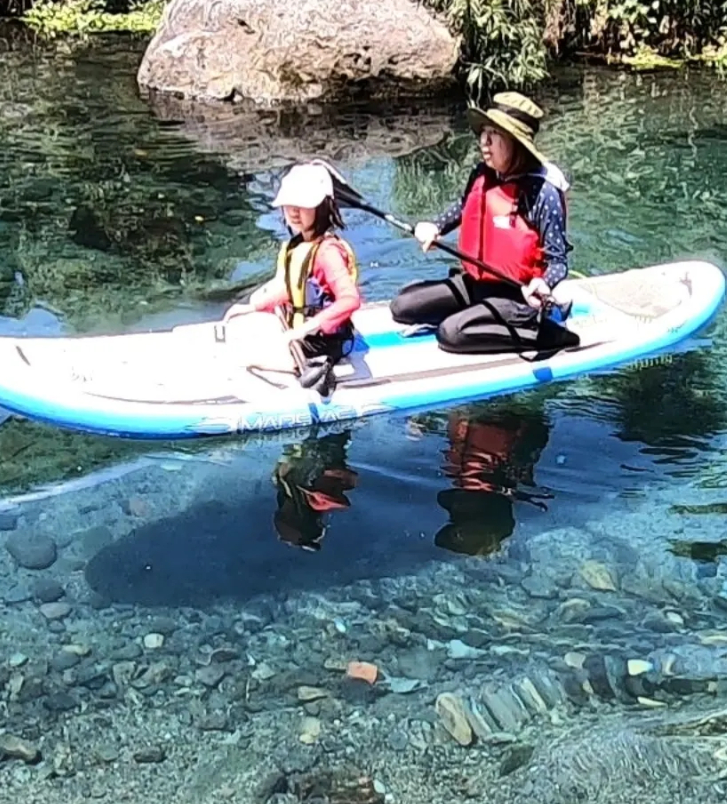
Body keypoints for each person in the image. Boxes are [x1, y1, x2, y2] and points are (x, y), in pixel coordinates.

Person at [390, 91, 579, 356]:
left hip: (517, 296)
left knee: (451, 333)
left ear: (515, 142)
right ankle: (476, 315)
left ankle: (547, 333)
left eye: (494, 135)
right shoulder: (483, 173)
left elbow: (558, 261)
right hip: (476, 284)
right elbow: (464, 206)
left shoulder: (542, 193)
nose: (484, 142)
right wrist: (435, 227)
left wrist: (544, 283)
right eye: (483, 133)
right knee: (402, 306)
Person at [222, 162, 362, 396]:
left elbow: (350, 300)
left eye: (303, 205)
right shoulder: (297, 245)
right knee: (244, 325)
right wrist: (252, 307)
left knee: (246, 357)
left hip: (322, 343)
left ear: (322, 207)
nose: (294, 211)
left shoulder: (327, 252)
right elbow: (293, 289)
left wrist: (303, 329)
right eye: (289, 205)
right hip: (298, 331)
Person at [432, 405, 553, 556]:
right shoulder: (512, 470)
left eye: (455, 515)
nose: (453, 508)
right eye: (458, 515)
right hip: (504, 412)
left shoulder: (461, 472)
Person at [271, 431, 358, 551]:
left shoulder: (283, 485)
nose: (282, 510)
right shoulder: (320, 496)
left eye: (281, 513)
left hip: (316, 436)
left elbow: (289, 454)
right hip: (328, 434)